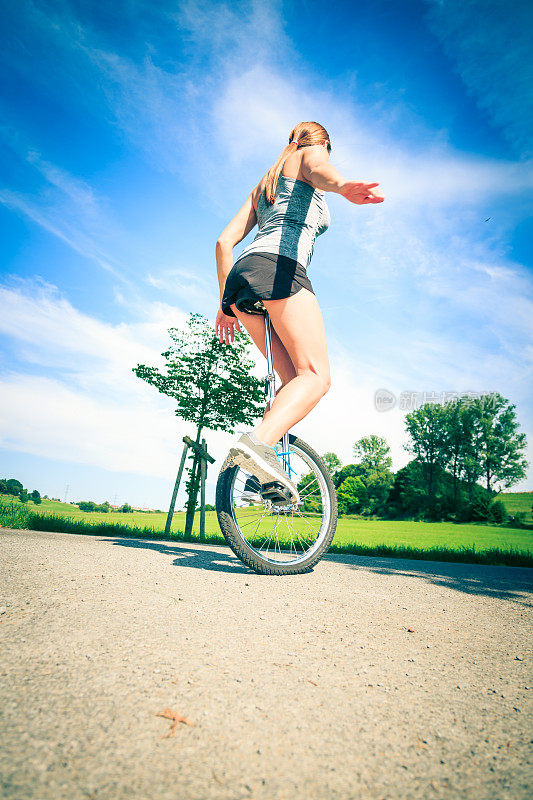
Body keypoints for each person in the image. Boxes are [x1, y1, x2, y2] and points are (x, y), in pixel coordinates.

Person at [215, 121, 384, 503]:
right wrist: (343, 187)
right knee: (317, 377)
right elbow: (322, 170)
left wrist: (227, 304)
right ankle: (257, 445)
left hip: (244, 278)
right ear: (322, 142)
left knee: (292, 382)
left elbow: (225, 242)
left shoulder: (267, 182)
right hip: (280, 268)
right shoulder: (311, 152)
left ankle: (264, 476)